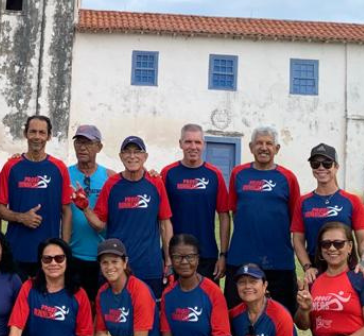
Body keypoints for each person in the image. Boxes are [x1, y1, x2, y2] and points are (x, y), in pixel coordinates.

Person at [75, 136, 173, 299]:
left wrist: (168, 259)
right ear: (120, 157)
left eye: (137, 152)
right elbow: (100, 225)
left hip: (149, 266)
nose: (132, 156)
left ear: (145, 157)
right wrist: (85, 207)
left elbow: (165, 223)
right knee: (114, 316)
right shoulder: (111, 184)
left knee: (150, 315)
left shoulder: (155, 183)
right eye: (127, 152)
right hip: (115, 267)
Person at [226, 126, 300, 313]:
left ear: (277, 148)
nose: (264, 147)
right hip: (241, 259)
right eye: (259, 143)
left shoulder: (288, 178)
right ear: (251, 147)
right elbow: (234, 212)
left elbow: (295, 219)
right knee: (236, 316)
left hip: (279, 261)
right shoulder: (238, 174)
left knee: (282, 315)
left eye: (269, 143)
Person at [67, 124, 115, 336]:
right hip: (72, 257)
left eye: (89, 143)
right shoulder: (65, 174)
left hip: (101, 259)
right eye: (79, 142)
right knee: (74, 316)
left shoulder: (108, 177)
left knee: (98, 317)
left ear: (99, 146)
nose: (83, 147)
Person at [0, 116, 73, 279]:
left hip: (49, 257)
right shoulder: (11, 167)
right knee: (16, 302)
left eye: (41, 132)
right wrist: (21, 217)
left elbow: (66, 211)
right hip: (16, 252)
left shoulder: (59, 168)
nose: (37, 136)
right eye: (33, 132)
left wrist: (64, 250)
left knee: (43, 303)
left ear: (49, 136)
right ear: (25, 134)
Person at [292, 143, 364, 285]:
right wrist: (307, 267)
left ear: (336, 167)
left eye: (327, 163)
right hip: (316, 272)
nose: (321, 167)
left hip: (346, 269)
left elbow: (363, 238)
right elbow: (298, 241)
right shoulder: (303, 202)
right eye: (315, 163)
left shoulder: (352, 201)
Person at [161, 123, 230, 280]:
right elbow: (162, 219)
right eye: (188, 142)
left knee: (206, 302)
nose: (193, 147)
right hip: (176, 255)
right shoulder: (168, 173)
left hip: (206, 255)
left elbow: (224, 216)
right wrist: (167, 257)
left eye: (197, 142)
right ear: (180, 144)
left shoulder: (214, 175)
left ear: (204, 145)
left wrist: (223, 255)